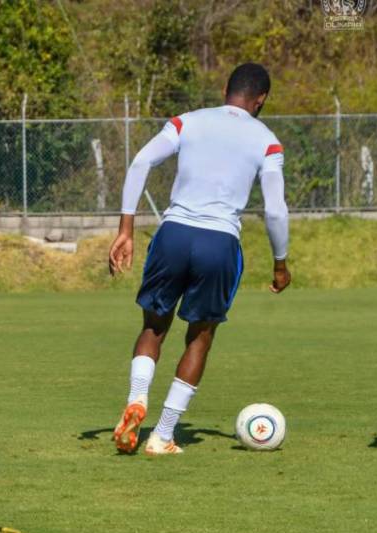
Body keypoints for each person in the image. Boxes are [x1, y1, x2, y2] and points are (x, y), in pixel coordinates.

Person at [108, 63, 292, 456]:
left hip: (173, 233)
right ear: (261, 100)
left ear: (226, 88)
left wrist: (125, 230)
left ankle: (136, 401)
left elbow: (140, 161)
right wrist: (280, 262)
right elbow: (275, 210)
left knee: (154, 328)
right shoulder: (267, 140)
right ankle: (163, 436)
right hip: (220, 242)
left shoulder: (186, 121)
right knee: (200, 338)